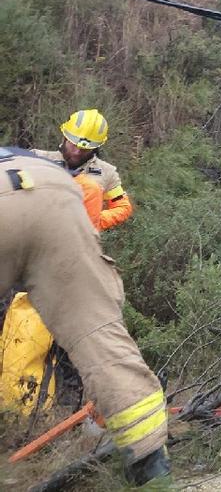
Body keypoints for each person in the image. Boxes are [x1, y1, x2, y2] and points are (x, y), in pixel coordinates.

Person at [0, 146, 169, 485]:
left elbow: (121, 205)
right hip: (57, 194)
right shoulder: (53, 161)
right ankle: (154, 472)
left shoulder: (102, 170)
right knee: (99, 336)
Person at [34, 109, 133, 231]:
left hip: (79, 241)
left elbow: (122, 207)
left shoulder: (107, 172)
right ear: (65, 137)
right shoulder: (37, 158)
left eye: (84, 149)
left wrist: (94, 220)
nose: (76, 152)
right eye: (73, 145)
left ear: (96, 147)